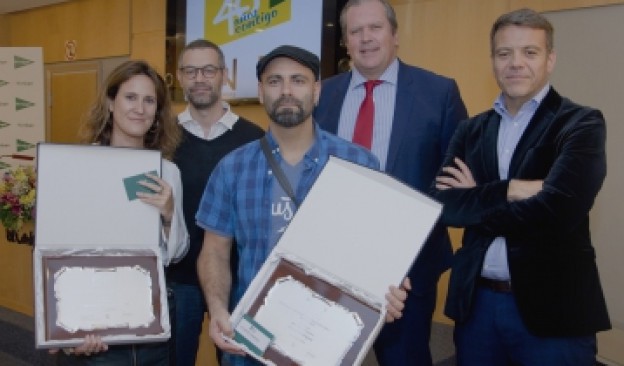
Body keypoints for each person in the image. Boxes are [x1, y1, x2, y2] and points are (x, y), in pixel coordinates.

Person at [196, 44, 410, 366]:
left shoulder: (359, 163)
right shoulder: (232, 168)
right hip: (250, 343)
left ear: (316, 90)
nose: (286, 91)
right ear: (261, 91)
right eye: (274, 81)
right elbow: (214, 250)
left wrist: (388, 288)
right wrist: (217, 310)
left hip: (329, 342)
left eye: (298, 80)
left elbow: (380, 250)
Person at [432, 8, 611, 365]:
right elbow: (445, 205)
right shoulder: (471, 130)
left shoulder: (581, 123)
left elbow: (558, 212)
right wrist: (510, 189)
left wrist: (477, 200)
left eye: (529, 52)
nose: (516, 63)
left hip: (554, 313)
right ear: (493, 61)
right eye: (504, 53)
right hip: (478, 308)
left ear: (550, 59)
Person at [313, 0, 468, 364]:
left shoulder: (439, 93)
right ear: (346, 43)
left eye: (375, 28)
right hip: (330, 258)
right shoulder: (322, 96)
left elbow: (455, 178)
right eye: (355, 31)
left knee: (404, 358)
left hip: (409, 268)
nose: (366, 39)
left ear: (395, 35)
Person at [53, 60, 190, 365]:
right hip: (94, 323)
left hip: (148, 325)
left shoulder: (167, 172)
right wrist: (66, 332)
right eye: (130, 97)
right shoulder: (79, 167)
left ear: (157, 112)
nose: (139, 108)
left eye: (149, 100)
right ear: (111, 103)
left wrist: (169, 215)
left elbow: (175, 254)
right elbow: (59, 248)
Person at [168, 38, 265, 366]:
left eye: (208, 70)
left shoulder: (255, 139)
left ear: (224, 75)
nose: (199, 78)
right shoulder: (163, 137)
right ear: (180, 77)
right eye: (191, 70)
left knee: (236, 362)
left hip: (236, 281)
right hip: (179, 280)